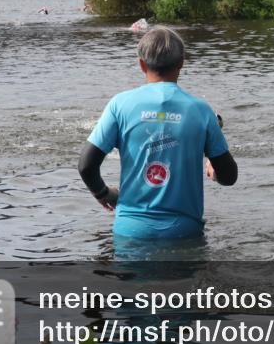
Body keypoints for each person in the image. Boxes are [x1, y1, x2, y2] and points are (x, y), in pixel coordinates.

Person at [78, 26, 237, 239]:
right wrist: (213, 169)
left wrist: (103, 194)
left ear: (141, 64)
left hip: (130, 232)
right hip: (183, 233)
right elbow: (229, 177)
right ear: (181, 62)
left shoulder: (119, 105)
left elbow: (86, 165)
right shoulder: (201, 110)